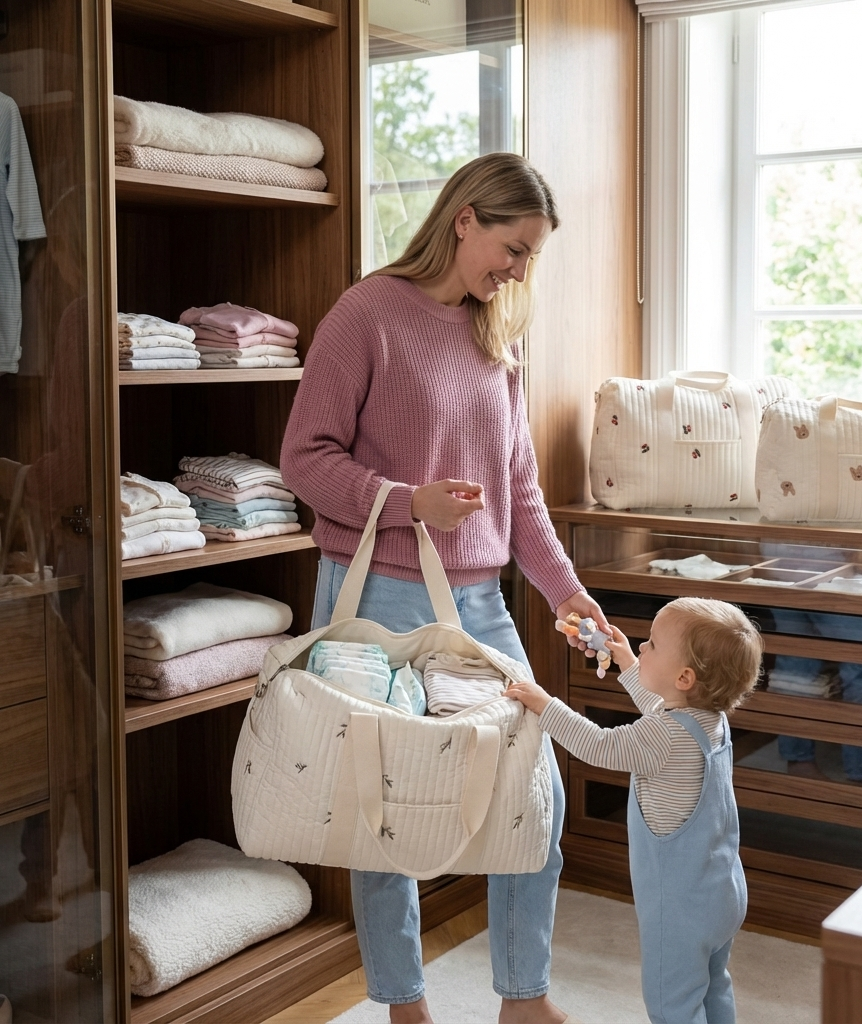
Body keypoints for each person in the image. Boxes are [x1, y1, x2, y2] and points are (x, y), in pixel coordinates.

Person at [280, 151, 608, 1024]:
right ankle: (402, 1004)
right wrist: (403, 503)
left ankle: (522, 999)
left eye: (532, 255)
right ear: (464, 218)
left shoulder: (496, 335)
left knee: (530, 798)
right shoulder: (367, 313)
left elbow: (520, 491)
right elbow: (304, 459)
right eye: (514, 246)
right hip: (378, 597)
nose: (520, 269)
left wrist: (569, 595)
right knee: (380, 809)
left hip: (479, 601)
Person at [507, 597, 763, 1024]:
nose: (642, 646)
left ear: (684, 677)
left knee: (672, 1004)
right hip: (722, 892)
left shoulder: (662, 739)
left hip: (679, 904)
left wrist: (544, 705)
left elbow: (599, 744)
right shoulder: (710, 723)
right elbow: (661, 706)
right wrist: (625, 660)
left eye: (652, 645)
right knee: (713, 984)